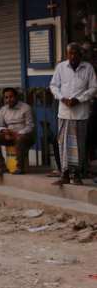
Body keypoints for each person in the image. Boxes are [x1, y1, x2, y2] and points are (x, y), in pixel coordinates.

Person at [50, 43, 97, 185]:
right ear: (67, 54)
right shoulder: (61, 67)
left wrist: (79, 99)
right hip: (64, 113)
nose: (73, 56)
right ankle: (64, 174)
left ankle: (77, 175)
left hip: (80, 114)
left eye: (76, 53)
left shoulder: (88, 68)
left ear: (81, 55)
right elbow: (53, 86)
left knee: (79, 145)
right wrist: (61, 98)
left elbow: (94, 88)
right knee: (63, 144)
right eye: (71, 53)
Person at [0, 87, 35, 176]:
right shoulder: (3, 110)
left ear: (16, 97)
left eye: (11, 97)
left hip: (24, 136)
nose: (9, 100)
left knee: (20, 139)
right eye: (6, 97)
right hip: (9, 135)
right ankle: (2, 168)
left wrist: (18, 133)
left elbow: (30, 126)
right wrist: (4, 131)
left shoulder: (26, 108)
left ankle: (19, 168)